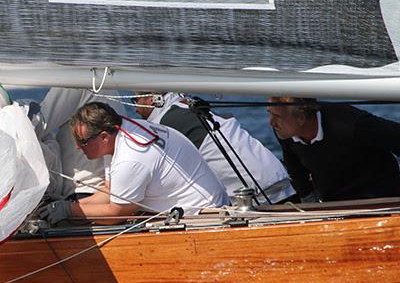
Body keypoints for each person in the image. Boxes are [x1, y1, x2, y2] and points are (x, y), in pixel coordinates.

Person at [38, 102, 228, 225]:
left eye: (83, 142)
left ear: (103, 136)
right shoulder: (121, 131)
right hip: (197, 207)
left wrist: (70, 211)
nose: (78, 148)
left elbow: (117, 212)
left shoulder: (130, 158)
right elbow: (110, 190)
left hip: (200, 217)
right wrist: (69, 205)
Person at [136, 92, 295, 204]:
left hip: (258, 197)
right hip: (281, 180)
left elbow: (150, 175)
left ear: (150, 98)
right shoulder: (189, 104)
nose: (135, 108)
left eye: (135, 99)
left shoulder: (163, 125)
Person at [267, 97, 400, 201]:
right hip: (335, 202)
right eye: (270, 114)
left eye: (277, 117)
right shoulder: (285, 132)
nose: (271, 122)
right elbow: (294, 165)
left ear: (301, 118)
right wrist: (308, 200)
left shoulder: (350, 124)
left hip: (382, 199)